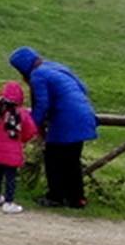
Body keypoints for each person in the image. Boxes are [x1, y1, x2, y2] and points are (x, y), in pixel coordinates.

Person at [9, 46, 98, 208]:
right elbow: (83, 87)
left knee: (53, 157)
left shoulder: (37, 75)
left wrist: (32, 125)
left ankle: (55, 197)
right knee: (72, 160)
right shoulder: (55, 66)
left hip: (66, 118)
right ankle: (77, 199)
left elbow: (42, 104)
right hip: (84, 113)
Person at [0, 81, 39, 215]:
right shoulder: (22, 113)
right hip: (12, 152)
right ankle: (9, 202)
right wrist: (23, 139)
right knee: (10, 177)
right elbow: (31, 131)